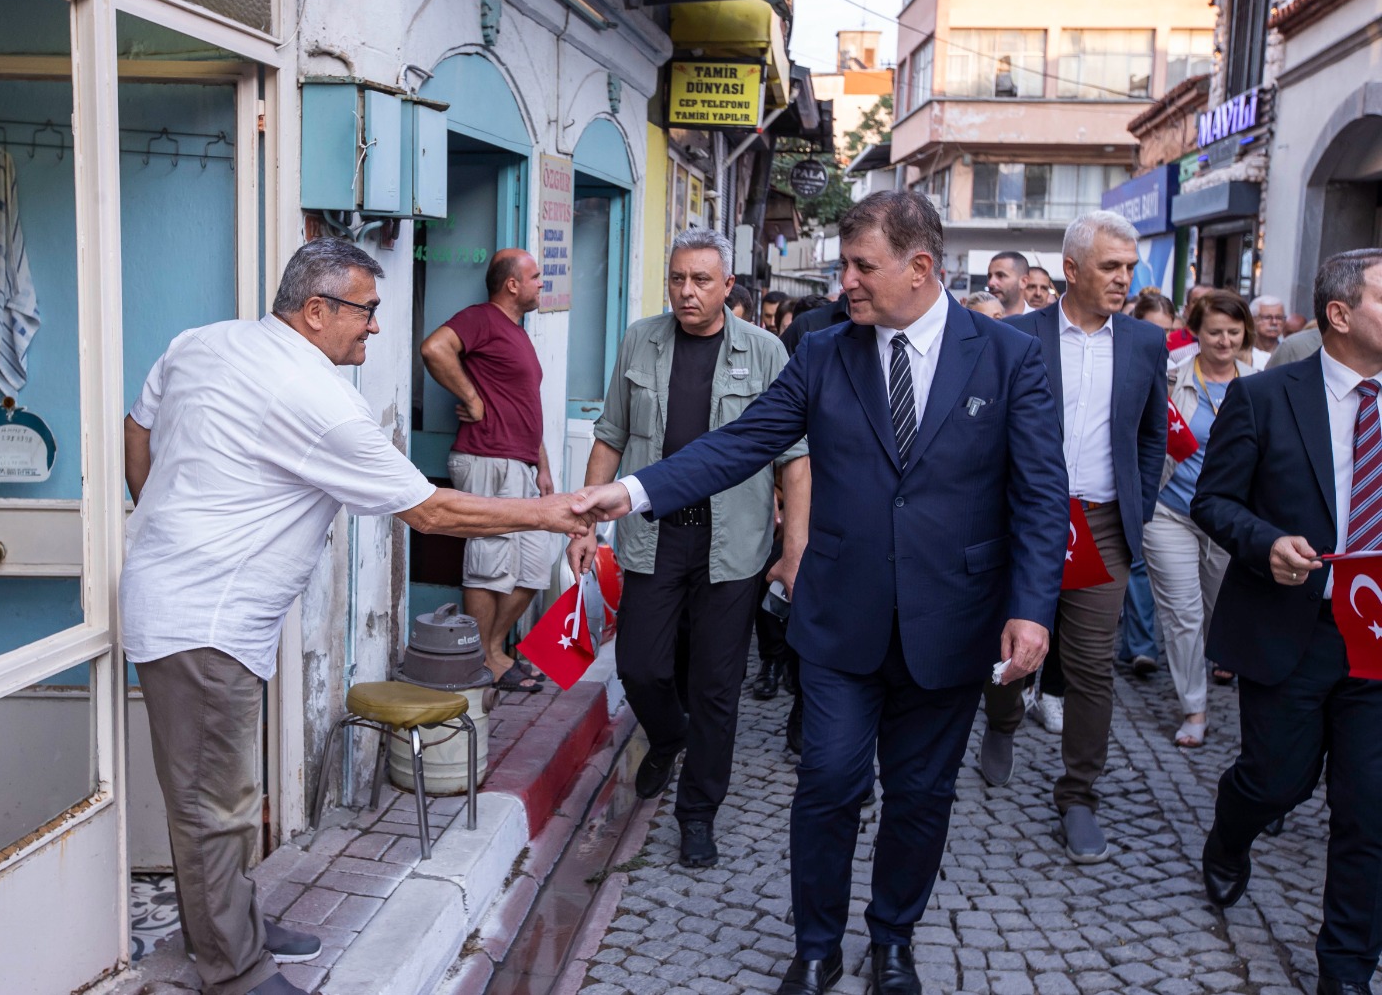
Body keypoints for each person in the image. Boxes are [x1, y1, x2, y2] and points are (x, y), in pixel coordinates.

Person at [571, 192, 1067, 995]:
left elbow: (1041, 495)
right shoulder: (826, 354)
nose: (847, 281)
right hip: (840, 617)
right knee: (830, 779)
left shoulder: (1007, 357)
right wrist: (631, 492)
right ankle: (816, 945)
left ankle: (894, 939)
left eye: (861, 265)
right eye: (845, 265)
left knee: (920, 795)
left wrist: (1030, 609)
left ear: (920, 268)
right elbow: (742, 443)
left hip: (952, 621)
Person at [120, 239, 588, 995]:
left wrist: (155, 518)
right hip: (200, 620)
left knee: (227, 792)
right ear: (316, 311)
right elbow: (431, 511)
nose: (375, 328)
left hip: (199, 606)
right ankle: (233, 971)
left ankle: (231, 922)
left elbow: (137, 427)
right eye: (367, 311)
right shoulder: (316, 397)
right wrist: (555, 510)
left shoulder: (201, 343)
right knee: (216, 805)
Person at [567, 228, 808, 870]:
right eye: (678, 278)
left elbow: (795, 459)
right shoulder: (641, 339)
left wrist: (795, 547)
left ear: (729, 286)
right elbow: (611, 436)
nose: (687, 291)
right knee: (641, 667)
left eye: (702, 279)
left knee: (717, 685)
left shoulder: (765, 353)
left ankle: (698, 812)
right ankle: (667, 737)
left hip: (735, 544)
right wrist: (584, 522)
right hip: (652, 536)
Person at [1192, 249, 1382, 995]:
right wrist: (1265, 541)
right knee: (1277, 783)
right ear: (1340, 314)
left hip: (1376, 640)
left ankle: (1344, 971)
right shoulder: (1266, 397)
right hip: (1289, 629)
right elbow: (1212, 501)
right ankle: (1231, 832)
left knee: (1370, 813)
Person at [977, 211, 1169, 866]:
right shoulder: (1016, 337)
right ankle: (1002, 720)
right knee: (1012, 643)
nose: (1126, 277)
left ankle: (1079, 793)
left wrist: (1133, 512)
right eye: (1112, 266)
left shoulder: (1145, 343)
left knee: (1091, 669)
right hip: (1025, 520)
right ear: (1072, 270)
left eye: (1130, 265)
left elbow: (1150, 436)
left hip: (1104, 526)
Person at [420, 249, 556, 693]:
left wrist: (543, 466)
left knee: (534, 567)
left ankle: (494, 650)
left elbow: (526, 407)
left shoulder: (518, 333)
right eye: (535, 276)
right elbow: (434, 347)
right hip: (485, 458)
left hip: (520, 464)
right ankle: (484, 661)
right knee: (487, 565)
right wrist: (471, 397)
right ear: (511, 284)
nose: (541, 283)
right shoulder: (482, 318)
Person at [1144, 290, 1256, 747]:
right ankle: (1195, 708)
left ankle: (1247, 697)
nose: (1225, 340)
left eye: (1234, 331)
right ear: (1196, 332)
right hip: (1170, 510)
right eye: (1215, 332)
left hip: (1229, 518)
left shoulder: (1260, 383)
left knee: (1223, 614)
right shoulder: (1172, 379)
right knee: (1183, 614)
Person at [1118, 291, 1180, 677]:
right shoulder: (1124, 359)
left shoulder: (1180, 367)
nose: (1162, 339)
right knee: (1135, 566)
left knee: (1138, 568)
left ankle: (1139, 644)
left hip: (1160, 484)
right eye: (1154, 329)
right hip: (1126, 482)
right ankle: (1139, 643)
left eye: (1168, 332)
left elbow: (1160, 433)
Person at [986, 250, 1031, 317]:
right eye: (989, 276)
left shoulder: (1040, 322)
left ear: (1023, 282)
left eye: (1000, 275)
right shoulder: (979, 320)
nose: (991, 283)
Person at [1250, 295, 1286, 370]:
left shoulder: (1287, 350)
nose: (1274, 322)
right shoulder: (1244, 353)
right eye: (1267, 317)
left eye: (1279, 318)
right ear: (1253, 320)